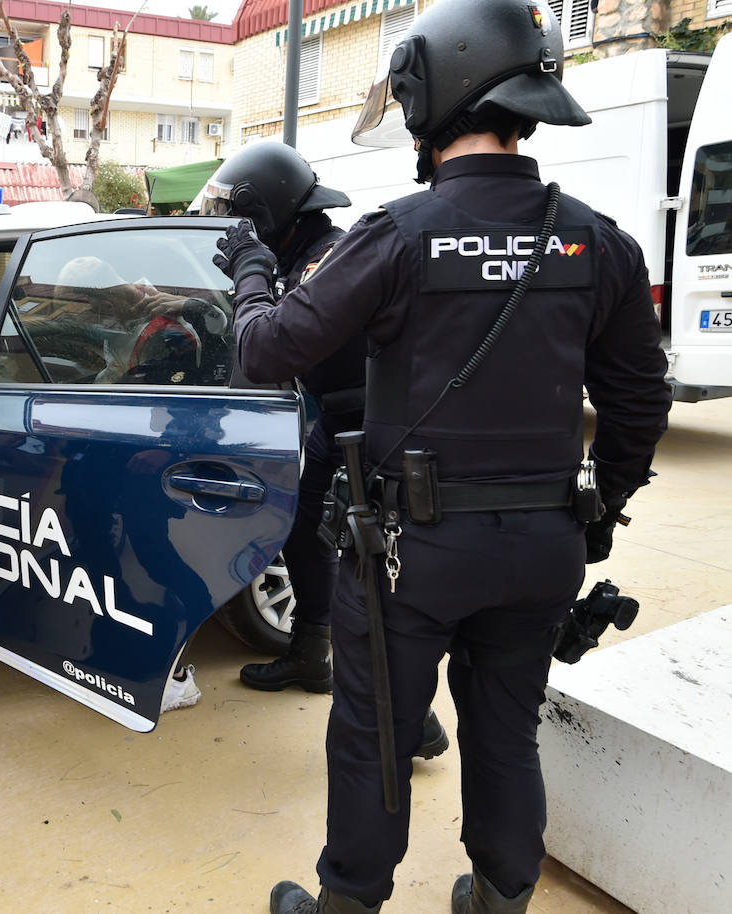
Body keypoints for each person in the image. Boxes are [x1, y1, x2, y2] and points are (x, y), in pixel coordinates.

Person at [213, 1, 671, 911]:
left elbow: (264, 350)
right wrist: (597, 512)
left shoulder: (399, 233)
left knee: (374, 733)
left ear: (433, 96)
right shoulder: (597, 239)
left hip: (409, 556)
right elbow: (639, 402)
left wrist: (251, 263)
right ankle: (501, 897)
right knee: (507, 735)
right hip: (543, 545)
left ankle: (349, 900)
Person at [203, 142, 450, 760]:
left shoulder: (329, 256)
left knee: (373, 573)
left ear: (266, 214)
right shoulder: (306, 254)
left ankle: (414, 720)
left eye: (242, 219)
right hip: (339, 421)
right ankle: (312, 654)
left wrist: (251, 270)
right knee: (303, 530)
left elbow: (266, 349)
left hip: (378, 431)